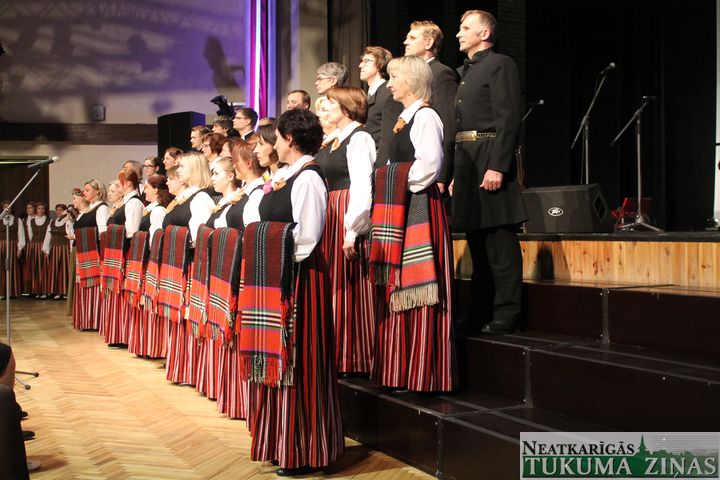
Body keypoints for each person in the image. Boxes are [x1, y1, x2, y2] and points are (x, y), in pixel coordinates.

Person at [241, 108, 343, 475]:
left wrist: (268, 243)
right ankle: (280, 442)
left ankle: (304, 449)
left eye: (278, 137)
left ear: (291, 140)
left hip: (300, 280)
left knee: (300, 361)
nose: (272, 145)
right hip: (278, 277)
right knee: (281, 361)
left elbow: (307, 237)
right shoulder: (285, 177)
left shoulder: (309, 178)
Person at [370, 55, 455, 392]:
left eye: (394, 78)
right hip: (402, 205)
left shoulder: (426, 117)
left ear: (412, 81)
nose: (390, 84)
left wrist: (394, 181)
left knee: (419, 283)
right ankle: (401, 369)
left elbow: (430, 165)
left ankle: (424, 371)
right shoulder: (404, 119)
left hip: (418, 206)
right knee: (401, 283)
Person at [452, 10, 528, 335]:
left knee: (499, 243)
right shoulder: (464, 72)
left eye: (465, 27)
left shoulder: (500, 64)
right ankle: (480, 309)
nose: (458, 33)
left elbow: (508, 117)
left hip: (489, 158)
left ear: (484, 33)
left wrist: (497, 165)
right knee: (477, 244)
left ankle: (508, 312)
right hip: (467, 162)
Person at [317, 86, 376, 376]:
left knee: (349, 285)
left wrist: (352, 230)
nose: (325, 109)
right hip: (331, 212)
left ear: (347, 107)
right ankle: (334, 350)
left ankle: (353, 356)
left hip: (345, 211)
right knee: (333, 282)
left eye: (331, 103)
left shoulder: (360, 137)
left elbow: (362, 185)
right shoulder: (334, 140)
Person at [404, 20, 459, 192]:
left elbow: (448, 124)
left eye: (412, 38)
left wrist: (442, 175)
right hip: (412, 166)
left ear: (428, 43)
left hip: (432, 174)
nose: (405, 42)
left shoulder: (440, 73)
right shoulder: (413, 76)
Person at [72, 179, 109, 331]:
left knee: (92, 285)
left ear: (97, 191)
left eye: (87, 190)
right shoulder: (90, 208)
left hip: (94, 253)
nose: (84, 192)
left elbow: (102, 232)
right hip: (85, 251)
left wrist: (79, 236)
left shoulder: (101, 208)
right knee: (84, 285)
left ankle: (94, 320)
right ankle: (85, 319)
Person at [359, 46, 403, 169]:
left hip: (379, 163)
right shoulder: (369, 94)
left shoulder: (388, 93)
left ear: (379, 64)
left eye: (366, 61)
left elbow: (389, 136)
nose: (360, 65)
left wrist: (380, 168)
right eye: (361, 61)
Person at [42, 204, 71, 299]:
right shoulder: (52, 223)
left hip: (65, 249)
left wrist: (71, 249)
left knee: (64, 270)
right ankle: (55, 291)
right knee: (54, 270)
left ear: (65, 211)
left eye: (61, 210)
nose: (59, 212)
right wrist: (46, 249)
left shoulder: (68, 222)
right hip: (54, 249)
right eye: (57, 210)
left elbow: (71, 235)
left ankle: (65, 291)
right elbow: (48, 236)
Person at [0, 200, 25, 300]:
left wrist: (20, 248)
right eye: (5, 207)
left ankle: (12, 292)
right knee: (1, 268)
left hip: (12, 245)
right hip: (1, 245)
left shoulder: (17, 220)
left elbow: (21, 234)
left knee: (12, 267)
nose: (7, 208)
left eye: (9, 206)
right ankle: (1, 292)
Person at [24, 202, 49, 298]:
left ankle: (44, 291)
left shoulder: (49, 220)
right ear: (36, 210)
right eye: (39, 208)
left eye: (42, 208)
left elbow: (48, 235)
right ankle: (34, 291)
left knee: (43, 268)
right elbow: (30, 235)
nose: (41, 210)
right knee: (34, 268)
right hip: (34, 246)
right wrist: (33, 245)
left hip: (43, 246)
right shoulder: (31, 221)